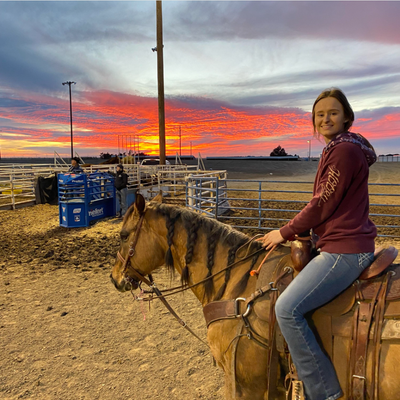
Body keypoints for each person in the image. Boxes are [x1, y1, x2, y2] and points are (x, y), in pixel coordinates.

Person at [258, 88, 377, 400]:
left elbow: (322, 203)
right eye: (320, 114)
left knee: (286, 308)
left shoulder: (344, 152)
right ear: (313, 121)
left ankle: (324, 393)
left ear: (347, 117)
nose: (326, 118)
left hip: (345, 250)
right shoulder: (340, 148)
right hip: (340, 243)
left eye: (333, 112)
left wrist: (283, 232)